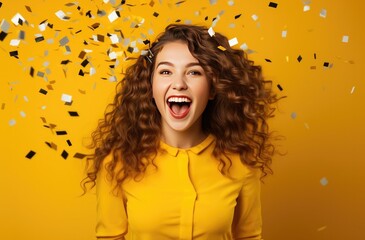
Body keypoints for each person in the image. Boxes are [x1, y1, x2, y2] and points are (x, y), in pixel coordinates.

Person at [81, 23, 281, 240]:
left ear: (213, 88)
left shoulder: (242, 160)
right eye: (166, 71)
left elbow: (250, 236)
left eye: (194, 72)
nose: (178, 84)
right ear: (150, 86)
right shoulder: (117, 162)